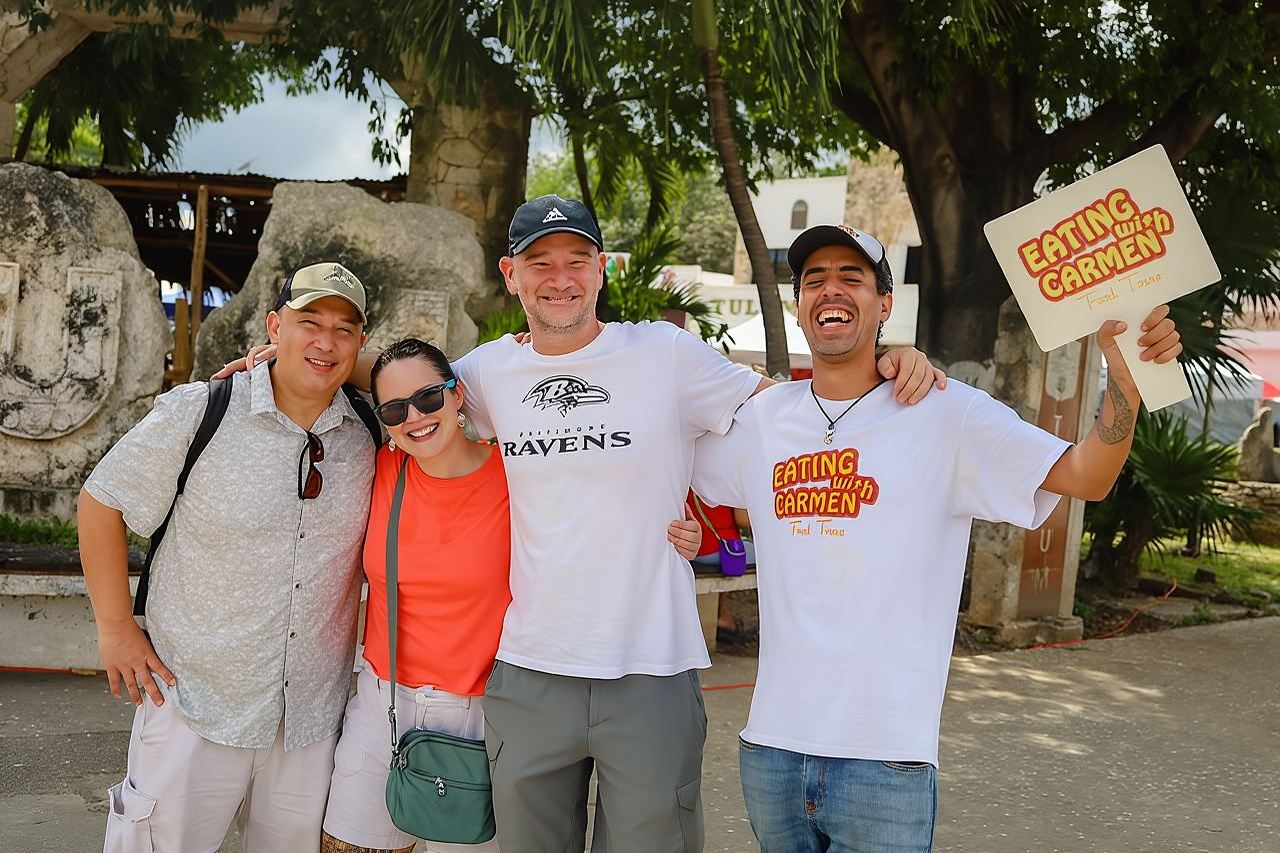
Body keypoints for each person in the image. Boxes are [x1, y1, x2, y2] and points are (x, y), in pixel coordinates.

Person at [225, 195, 944, 852]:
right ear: (512, 274)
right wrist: (290, 360)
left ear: (602, 268)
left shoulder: (664, 354)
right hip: (530, 673)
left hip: (650, 671)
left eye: (576, 260)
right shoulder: (484, 376)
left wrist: (883, 357)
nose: (559, 278)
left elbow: (787, 408)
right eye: (541, 262)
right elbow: (404, 386)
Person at [690, 223, 1184, 852]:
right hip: (772, 751)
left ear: (886, 304)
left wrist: (1126, 382)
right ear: (798, 304)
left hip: (885, 757)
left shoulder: (948, 414)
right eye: (814, 280)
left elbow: (1085, 475)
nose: (830, 291)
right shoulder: (763, 419)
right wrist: (537, 351)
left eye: (852, 278)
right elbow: (662, 447)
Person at [318, 338, 704, 853]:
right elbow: (332, 371)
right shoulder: (384, 466)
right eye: (393, 409)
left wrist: (674, 527)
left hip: (485, 710)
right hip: (383, 702)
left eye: (430, 398)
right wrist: (275, 356)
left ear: (459, 396)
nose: (415, 417)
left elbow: (602, 504)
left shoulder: (519, 472)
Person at [79, 263, 375, 852]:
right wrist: (115, 629)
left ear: (363, 343)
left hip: (310, 718)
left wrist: (342, 361)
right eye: (308, 322)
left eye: (345, 329)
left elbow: (435, 383)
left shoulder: (374, 429)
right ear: (273, 326)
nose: (326, 340)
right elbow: (101, 500)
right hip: (194, 700)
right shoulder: (202, 411)